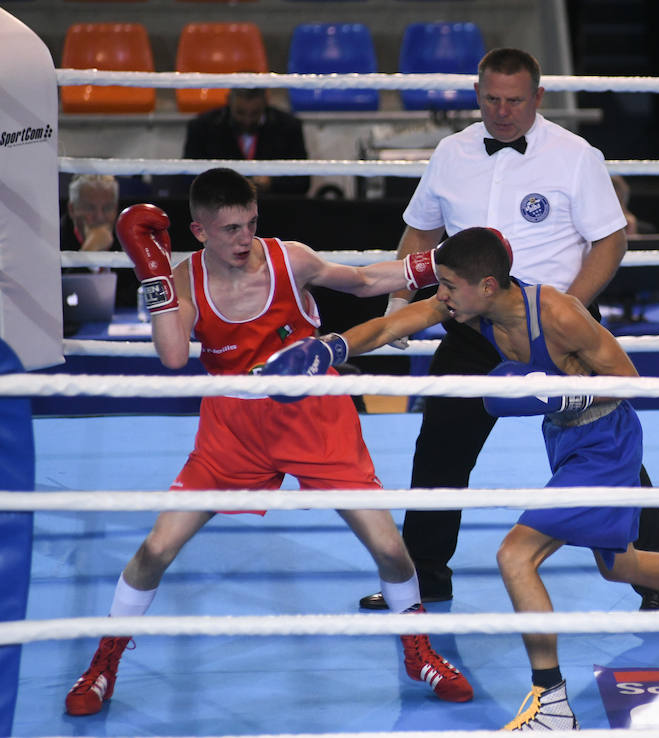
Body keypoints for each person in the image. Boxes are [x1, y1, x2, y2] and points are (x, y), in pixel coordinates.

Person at [263, 226, 659, 730]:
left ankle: (551, 700)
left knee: (516, 556)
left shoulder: (559, 313)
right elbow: (389, 326)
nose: (440, 295)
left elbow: (631, 380)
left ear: (487, 285)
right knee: (620, 565)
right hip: (566, 440)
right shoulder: (469, 309)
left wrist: (570, 392)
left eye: (448, 285)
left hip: (606, 442)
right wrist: (330, 347)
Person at [63, 167, 473, 717]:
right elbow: (172, 356)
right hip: (232, 429)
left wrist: (430, 264)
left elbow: (362, 281)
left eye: (250, 224)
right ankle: (103, 665)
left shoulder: (288, 258)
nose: (244, 239)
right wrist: (155, 276)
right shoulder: (183, 279)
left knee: (389, 548)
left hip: (315, 418)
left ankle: (419, 653)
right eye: (230, 228)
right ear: (200, 230)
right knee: (156, 548)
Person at [359, 47, 659, 612]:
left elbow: (611, 239)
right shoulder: (452, 152)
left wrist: (565, 312)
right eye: (492, 99)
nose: (502, 112)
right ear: (477, 94)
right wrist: (397, 302)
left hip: (555, 326)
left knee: (604, 442)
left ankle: (657, 572)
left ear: (539, 97)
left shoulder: (576, 155)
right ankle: (425, 576)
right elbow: (419, 233)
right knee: (439, 448)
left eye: (515, 100)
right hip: (470, 328)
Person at [183, 88, 310, 196]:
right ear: (229, 101)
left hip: (271, 210)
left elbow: (302, 181)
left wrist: (272, 183)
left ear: (266, 103)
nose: (247, 120)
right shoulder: (202, 127)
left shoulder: (289, 127)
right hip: (217, 212)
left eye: (255, 113)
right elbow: (188, 180)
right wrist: (227, 185)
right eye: (240, 113)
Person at [60, 174, 140, 309]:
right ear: (72, 210)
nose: (99, 217)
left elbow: (134, 297)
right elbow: (59, 303)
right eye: (90, 208)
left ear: (116, 209)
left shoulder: (129, 238)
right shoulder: (53, 240)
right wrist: (88, 255)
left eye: (107, 208)